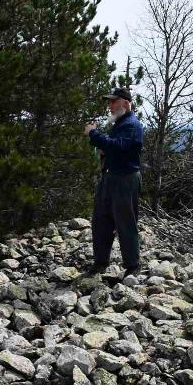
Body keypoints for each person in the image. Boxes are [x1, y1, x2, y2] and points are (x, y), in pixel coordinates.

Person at [83, 87, 143, 278]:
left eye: (113, 101)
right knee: (101, 221)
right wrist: (105, 150)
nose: (109, 106)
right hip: (111, 177)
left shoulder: (131, 125)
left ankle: (132, 266)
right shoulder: (122, 123)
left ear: (125, 103)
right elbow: (117, 148)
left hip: (125, 179)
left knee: (125, 222)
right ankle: (100, 262)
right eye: (109, 102)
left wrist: (94, 134)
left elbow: (117, 146)